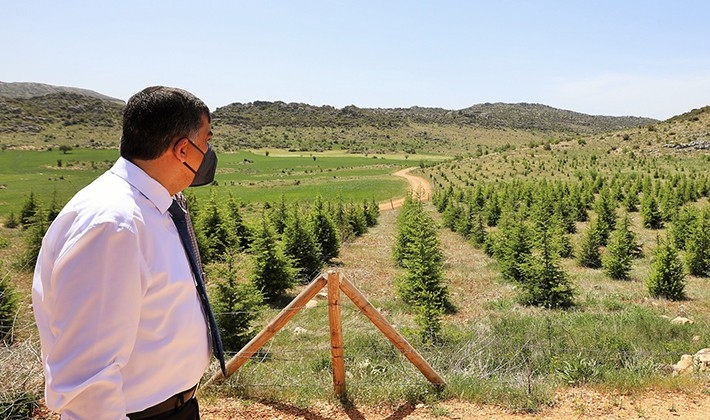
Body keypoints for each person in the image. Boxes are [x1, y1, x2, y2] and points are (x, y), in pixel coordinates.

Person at [32, 86, 222, 419]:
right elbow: (88, 381)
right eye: (206, 140)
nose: (209, 151)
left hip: (176, 408)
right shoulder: (114, 225)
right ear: (182, 150)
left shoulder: (155, 207)